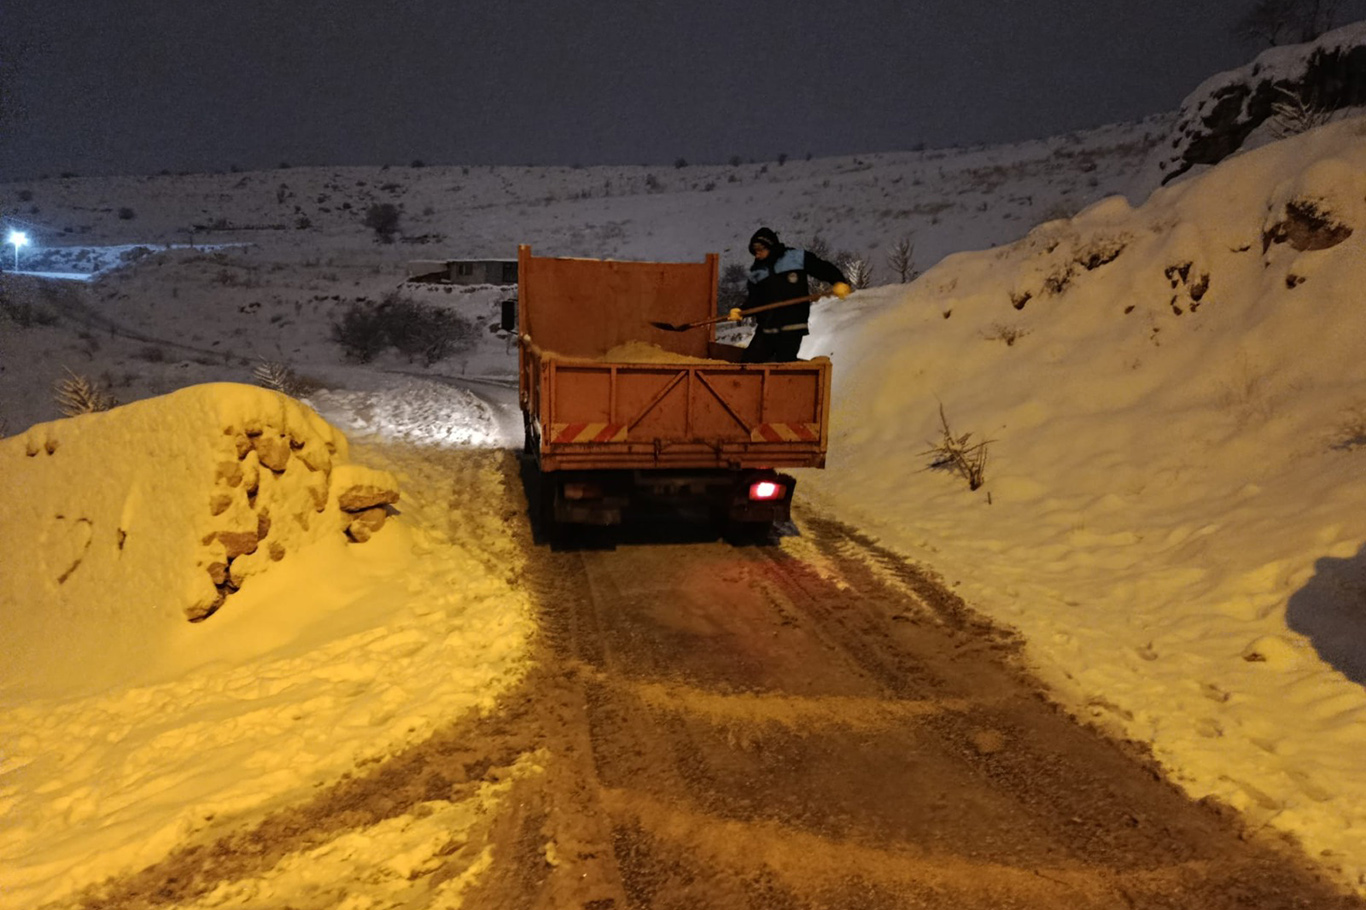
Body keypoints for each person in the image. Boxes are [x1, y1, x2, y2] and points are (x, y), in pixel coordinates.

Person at [740, 227, 851, 363]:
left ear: (771, 246)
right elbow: (755, 299)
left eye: (760, 250)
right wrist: (741, 311)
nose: (757, 255)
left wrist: (838, 281)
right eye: (755, 252)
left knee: (784, 363)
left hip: (792, 325)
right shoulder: (756, 271)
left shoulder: (795, 257)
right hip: (767, 328)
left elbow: (822, 268)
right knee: (749, 362)